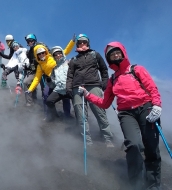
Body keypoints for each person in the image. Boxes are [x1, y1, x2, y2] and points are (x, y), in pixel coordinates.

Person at [78, 41, 162, 190]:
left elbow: (151, 88)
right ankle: (136, 184)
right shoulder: (113, 80)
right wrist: (87, 95)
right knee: (134, 145)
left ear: (123, 52)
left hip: (146, 108)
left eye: (117, 52)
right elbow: (105, 103)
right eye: (111, 54)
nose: (115, 55)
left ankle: (154, 184)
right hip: (126, 113)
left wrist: (156, 105)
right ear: (108, 59)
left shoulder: (137, 69)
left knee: (151, 146)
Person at [66, 34, 114, 147]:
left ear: (88, 43)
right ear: (77, 44)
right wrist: (68, 88)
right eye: (80, 42)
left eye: (84, 42)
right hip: (76, 87)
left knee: (99, 112)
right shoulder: (73, 60)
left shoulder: (95, 55)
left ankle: (107, 138)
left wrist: (105, 82)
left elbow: (103, 69)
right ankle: (86, 140)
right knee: (81, 114)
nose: (82, 44)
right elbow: (70, 76)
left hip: (94, 85)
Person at [24, 33, 75, 109]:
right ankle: (50, 114)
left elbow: (64, 52)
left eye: (42, 53)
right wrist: (30, 89)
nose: (41, 54)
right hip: (49, 79)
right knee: (45, 93)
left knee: (65, 97)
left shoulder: (52, 56)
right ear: (37, 55)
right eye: (39, 54)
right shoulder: (39, 64)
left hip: (60, 78)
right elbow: (37, 78)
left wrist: (72, 42)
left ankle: (66, 115)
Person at [44, 46, 72, 121]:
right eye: (55, 55)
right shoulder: (54, 68)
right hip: (59, 89)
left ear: (62, 53)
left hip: (70, 88)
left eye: (59, 53)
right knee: (49, 101)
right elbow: (53, 84)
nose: (57, 55)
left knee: (77, 104)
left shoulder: (69, 63)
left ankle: (70, 118)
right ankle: (55, 116)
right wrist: (49, 81)